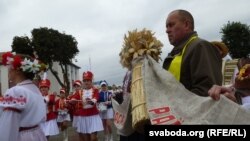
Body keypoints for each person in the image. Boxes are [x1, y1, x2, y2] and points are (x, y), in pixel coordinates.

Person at [163, 9, 222, 96]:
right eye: (167, 27)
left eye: (171, 25)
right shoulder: (175, 53)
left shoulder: (200, 46)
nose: (167, 30)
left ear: (186, 25)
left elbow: (206, 91)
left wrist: (174, 104)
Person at [0, 52, 47, 141]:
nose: (8, 71)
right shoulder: (35, 89)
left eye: (10, 68)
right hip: (37, 134)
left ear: (17, 70)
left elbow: (8, 126)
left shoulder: (16, 91)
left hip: (21, 136)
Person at [71, 71, 103, 141]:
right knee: (86, 139)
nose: (86, 82)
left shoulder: (95, 90)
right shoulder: (80, 92)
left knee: (93, 138)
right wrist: (72, 100)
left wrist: (92, 101)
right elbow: (74, 98)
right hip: (83, 117)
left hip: (93, 116)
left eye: (88, 80)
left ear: (91, 81)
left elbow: (96, 97)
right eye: (85, 80)